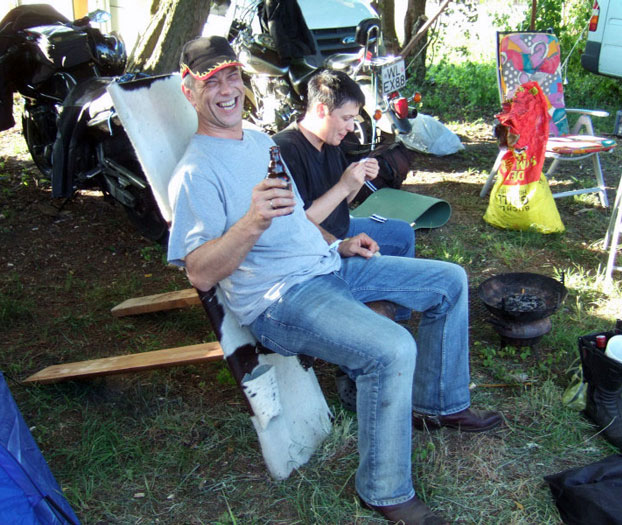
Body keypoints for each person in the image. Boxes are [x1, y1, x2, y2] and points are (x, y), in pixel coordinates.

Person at [168, 36, 503, 525]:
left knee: (449, 281)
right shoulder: (195, 171)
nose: (226, 90)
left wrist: (337, 243)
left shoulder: (259, 141)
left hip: (326, 264)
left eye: (232, 77)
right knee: (391, 348)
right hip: (281, 298)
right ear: (188, 91)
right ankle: (384, 490)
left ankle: (438, 403)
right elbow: (199, 271)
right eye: (211, 82)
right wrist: (251, 223)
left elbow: (296, 220)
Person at [273, 69, 415, 262]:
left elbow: (341, 202)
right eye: (346, 118)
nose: (350, 127)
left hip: (342, 229)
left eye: (353, 119)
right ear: (321, 110)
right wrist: (344, 186)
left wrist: (358, 179)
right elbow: (297, 223)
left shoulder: (330, 140)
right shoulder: (285, 150)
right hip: (315, 247)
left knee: (403, 234)